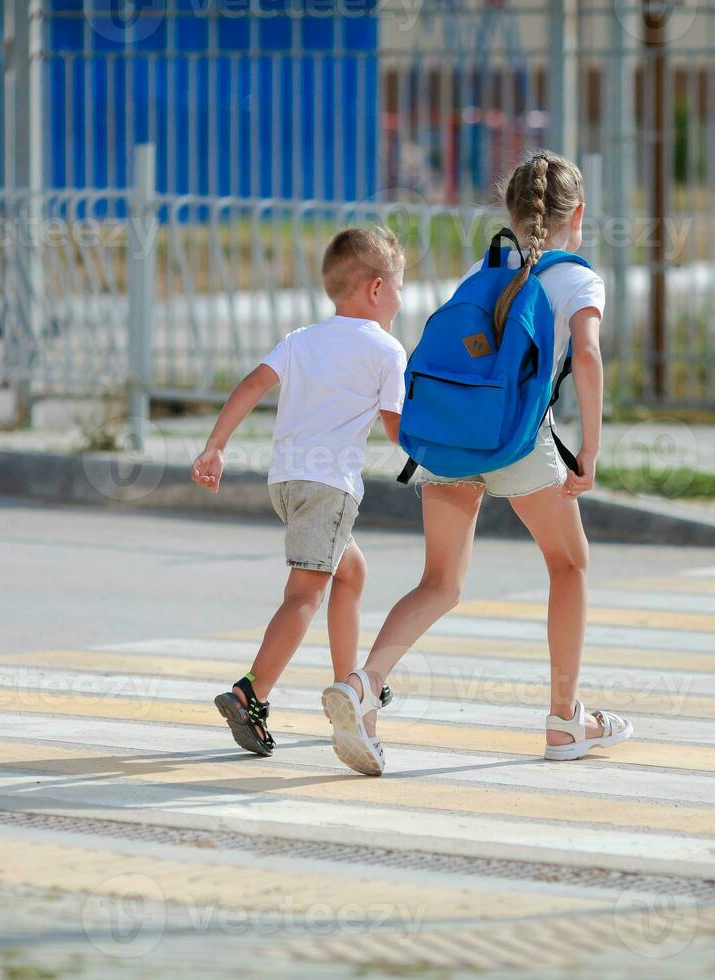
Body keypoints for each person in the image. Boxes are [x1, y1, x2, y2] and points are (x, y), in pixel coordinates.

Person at [321, 151, 632, 776]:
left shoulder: (481, 268)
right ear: (578, 217)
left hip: (454, 441)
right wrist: (590, 453)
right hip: (519, 442)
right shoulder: (577, 277)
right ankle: (564, 719)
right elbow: (590, 358)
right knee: (569, 563)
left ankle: (362, 686)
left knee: (439, 583)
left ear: (509, 212)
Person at [191, 226, 407, 756]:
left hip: (287, 482)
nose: (402, 299)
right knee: (305, 594)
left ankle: (346, 687)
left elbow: (251, 384)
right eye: (401, 286)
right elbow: (399, 431)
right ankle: (252, 693)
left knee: (350, 572)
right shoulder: (385, 350)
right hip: (329, 488)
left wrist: (215, 446)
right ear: (378, 289)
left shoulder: (302, 339)